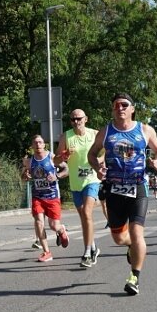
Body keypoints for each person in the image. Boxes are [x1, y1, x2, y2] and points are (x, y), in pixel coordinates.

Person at [88, 93, 157, 295]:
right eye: (116, 105)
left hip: (138, 187)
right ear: (113, 110)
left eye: (124, 105)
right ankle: (130, 245)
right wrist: (97, 167)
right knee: (119, 238)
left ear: (132, 109)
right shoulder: (105, 132)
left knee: (137, 232)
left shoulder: (144, 130)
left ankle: (134, 277)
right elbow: (91, 153)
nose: (120, 108)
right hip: (114, 189)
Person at [54, 109, 102, 268]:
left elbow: (105, 152)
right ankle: (94, 247)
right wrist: (64, 156)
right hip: (76, 183)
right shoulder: (66, 136)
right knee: (83, 217)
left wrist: (98, 161)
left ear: (85, 119)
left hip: (91, 180)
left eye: (79, 119)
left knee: (87, 213)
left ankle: (87, 253)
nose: (76, 122)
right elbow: (55, 160)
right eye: (73, 119)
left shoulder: (95, 134)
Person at [22, 135, 69, 262]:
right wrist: (25, 175)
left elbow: (66, 169)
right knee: (39, 222)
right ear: (32, 146)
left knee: (54, 226)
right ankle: (47, 252)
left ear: (44, 145)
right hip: (37, 196)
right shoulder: (29, 161)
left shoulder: (51, 157)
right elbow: (24, 175)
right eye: (35, 142)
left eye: (40, 142)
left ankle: (61, 230)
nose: (38, 145)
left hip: (52, 196)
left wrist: (57, 176)